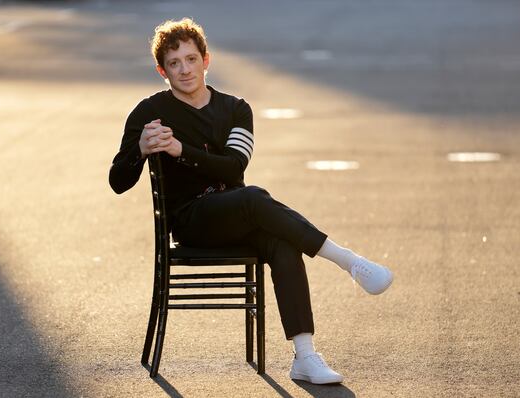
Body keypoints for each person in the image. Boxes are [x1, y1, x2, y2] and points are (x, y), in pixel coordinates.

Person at [109, 18, 393, 385]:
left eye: (191, 59)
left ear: (206, 60)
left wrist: (181, 151)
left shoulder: (236, 109)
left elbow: (233, 168)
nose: (185, 70)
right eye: (175, 63)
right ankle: (348, 261)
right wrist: (140, 150)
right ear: (161, 70)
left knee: (280, 238)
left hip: (237, 210)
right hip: (192, 222)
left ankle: (305, 356)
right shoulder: (149, 112)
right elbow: (117, 181)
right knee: (255, 198)